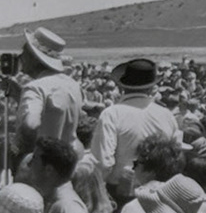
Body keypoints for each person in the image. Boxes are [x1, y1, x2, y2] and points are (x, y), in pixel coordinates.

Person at [90, 60, 178, 199]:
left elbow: (104, 162)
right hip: (159, 191)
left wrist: (100, 191)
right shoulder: (166, 115)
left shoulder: (112, 114)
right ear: (151, 87)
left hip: (120, 191)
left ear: (122, 86)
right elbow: (175, 154)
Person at [14, 26, 84, 157]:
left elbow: (31, 125)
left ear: (33, 58)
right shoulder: (72, 84)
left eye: (24, 53)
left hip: (43, 163)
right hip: (68, 161)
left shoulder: (35, 88)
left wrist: (23, 153)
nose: (20, 57)